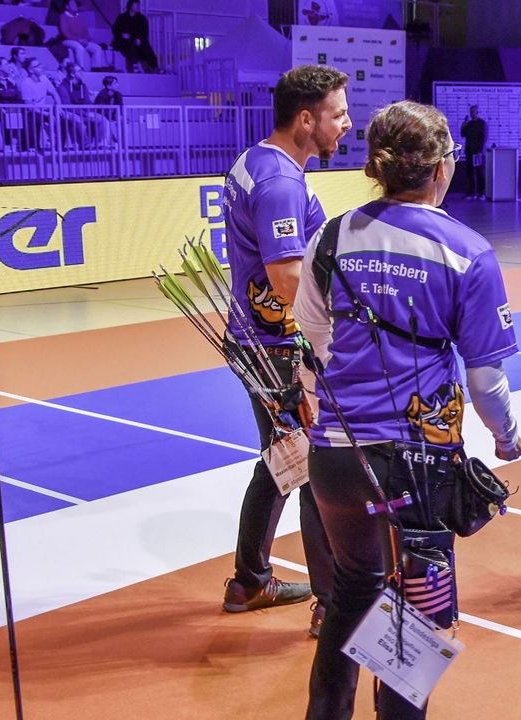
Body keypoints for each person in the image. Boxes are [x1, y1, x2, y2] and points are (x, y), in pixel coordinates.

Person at [294, 99, 521, 719]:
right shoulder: (467, 251)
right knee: (419, 610)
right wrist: (507, 436)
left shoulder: (331, 237)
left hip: (337, 460)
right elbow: (485, 379)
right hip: (416, 466)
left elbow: (315, 336)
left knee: (353, 588)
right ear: (443, 167)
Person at [219, 64, 350, 637]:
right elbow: (288, 281)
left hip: (256, 341)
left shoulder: (261, 160)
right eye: (338, 113)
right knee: (313, 463)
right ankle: (329, 601)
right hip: (278, 349)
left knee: (281, 463)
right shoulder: (279, 183)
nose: (347, 124)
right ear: (306, 118)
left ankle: (250, 580)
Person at [58, 0, 109, 72]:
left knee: (97, 48)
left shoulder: (79, 17)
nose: (75, 6)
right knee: (79, 47)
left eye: (75, 4)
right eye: (72, 4)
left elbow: (85, 31)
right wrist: (78, 40)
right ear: (67, 6)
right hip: (67, 40)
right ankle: (80, 68)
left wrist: (87, 39)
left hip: (81, 40)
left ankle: (96, 68)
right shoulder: (63, 16)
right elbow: (65, 33)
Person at [111, 1, 158, 73]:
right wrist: (122, 35)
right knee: (129, 44)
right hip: (123, 40)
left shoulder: (142, 19)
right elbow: (115, 30)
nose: (138, 6)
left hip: (137, 39)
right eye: (135, 4)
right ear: (130, 6)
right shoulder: (122, 17)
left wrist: (139, 39)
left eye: (138, 5)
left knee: (146, 47)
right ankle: (135, 64)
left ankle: (154, 67)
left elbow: (144, 33)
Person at [459, 104, 486, 199]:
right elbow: (462, 134)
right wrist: (463, 123)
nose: (472, 114)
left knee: (479, 172)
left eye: (473, 112)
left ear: (477, 112)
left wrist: (480, 151)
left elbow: (484, 138)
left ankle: (481, 193)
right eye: (471, 112)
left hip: (477, 152)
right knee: (470, 172)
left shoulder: (482, 123)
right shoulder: (469, 124)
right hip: (469, 151)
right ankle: (472, 193)